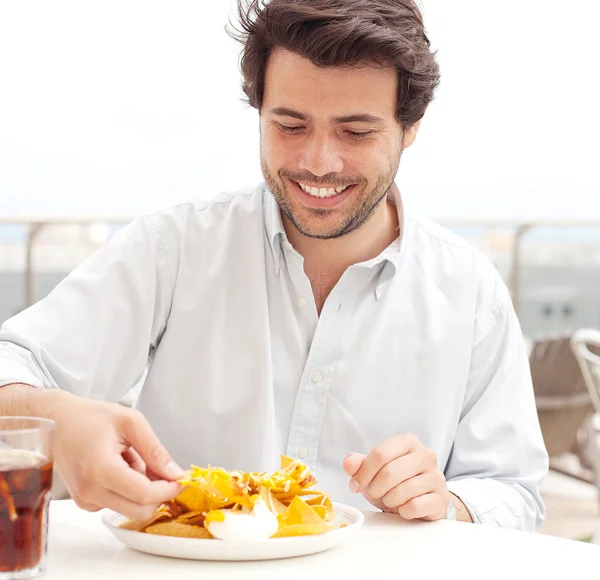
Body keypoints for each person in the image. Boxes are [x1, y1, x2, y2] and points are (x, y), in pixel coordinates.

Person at [0, 0, 548, 530]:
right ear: (259, 110)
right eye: (289, 125)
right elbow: (14, 361)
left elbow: (515, 493)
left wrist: (448, 501)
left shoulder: (470, 292)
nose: (318, 162)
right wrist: (60, 418)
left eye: (356, 132)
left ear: (411, 126)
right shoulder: (179, 248)